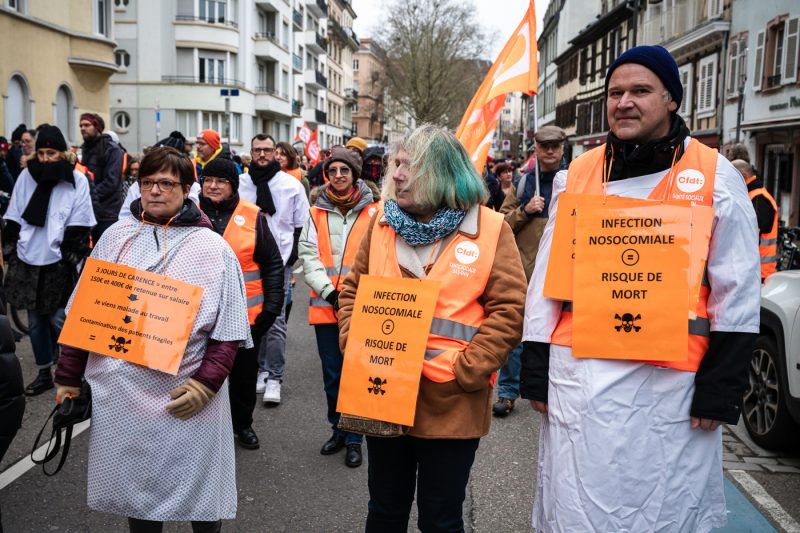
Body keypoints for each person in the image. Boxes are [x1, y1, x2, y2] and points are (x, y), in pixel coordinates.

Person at [520, 45, 760, 532]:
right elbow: (547, 278)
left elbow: (737, 289)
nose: (624, 102)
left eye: (640, 91)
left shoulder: (715, 177)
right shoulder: (579, 175)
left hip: (671, 392)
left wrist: (722, 386)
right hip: (581, 385)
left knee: (666, 511)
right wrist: (536, 366)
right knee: (576, 510)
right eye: (615, 93)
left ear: (671, 99)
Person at [337, 124, 526, 531]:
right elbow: (350, 291)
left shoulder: (491, 228)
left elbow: (509, 310)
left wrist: (469, 369)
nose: (397, 174)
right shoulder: (382, 224)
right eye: (397, 163)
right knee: (384, 512)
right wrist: (355, 343)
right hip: (382, 390)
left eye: (410, 165)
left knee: (441, 518)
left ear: (443, 172)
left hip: (450, 399)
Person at [54, 146, 252, 532]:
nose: (155, 191)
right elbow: (84, 317)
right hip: (124, 398)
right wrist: (67, 377)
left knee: (202, 491)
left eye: (166, 183)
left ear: (186, 188)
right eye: (147, 182)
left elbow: (227, 331)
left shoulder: (213, 249)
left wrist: (206, 384)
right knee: (138, 493)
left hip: (188, 393)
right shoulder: (115, 239)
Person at [299, 147, 377, 469]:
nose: (339, 176)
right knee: (332, 374)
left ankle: (355, 438)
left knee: (355, 374)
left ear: (355, 175)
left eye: (345, 170)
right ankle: (339, 429)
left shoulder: (376, 212)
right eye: (333, 171)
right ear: (327, 175)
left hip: (364, 308)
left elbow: (381, 257)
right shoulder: (316, 212)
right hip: (327, 308)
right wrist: (330, 294)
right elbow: (308, 255)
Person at [2, 125, 95, 395]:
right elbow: (14, 214)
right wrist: (12, 249)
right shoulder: (25, 178)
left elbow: (81, 220)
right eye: (41, 153)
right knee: (35, 322)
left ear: (62, 154)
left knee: (59, 320)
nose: (44, 159)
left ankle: (75, 374)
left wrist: (69, 255)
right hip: (28, 258)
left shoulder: (76, 181)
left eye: (51, 153)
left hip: (59, 261)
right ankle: (44, 372)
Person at [199, 157, 285, 450]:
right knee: (199, 375)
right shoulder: (186, 213)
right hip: (197, 318)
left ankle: (242, 424)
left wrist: (272, 307)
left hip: (245, 318)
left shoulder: (253, 216)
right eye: (208, 180)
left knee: (243, 378)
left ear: (233, 185)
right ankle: (204, 429)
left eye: (220, 181)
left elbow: (273, 264)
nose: (213, 185)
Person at [492, 126, 567, 417]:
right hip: (525, 273)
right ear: (535, 148)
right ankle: (508, 393)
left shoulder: (577, 181)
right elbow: (500, 223)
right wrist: (526, 210)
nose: (549, 151)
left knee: (557, 336)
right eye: (544, 146)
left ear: (563, 148)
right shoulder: (523, 184)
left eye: (554, 146)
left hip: (562, 273)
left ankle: (553, 389)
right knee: (516, 335)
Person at [239, 134, 309, 404]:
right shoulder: (242, 184)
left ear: (275, 153)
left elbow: (300, 225)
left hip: (279, 262)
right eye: (257, 150)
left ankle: (275, 377)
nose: (263, 155)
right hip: (247, 262)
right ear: (252, 152)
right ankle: (259, 369)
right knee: (251, 319)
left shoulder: (291, 185)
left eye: (268, 150)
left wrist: (291, 259)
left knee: (276, 320)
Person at [79, 113, 124, 242]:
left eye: (87, 125)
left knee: (105, 258)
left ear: (97, 127)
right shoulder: (85, 149)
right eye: (81, 125)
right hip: (89, 212)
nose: (82, 128)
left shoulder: (111, 149)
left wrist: (88, 196)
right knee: (90, 255)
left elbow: (111, 181)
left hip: (107, 214)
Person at [732, 159, 778, 281]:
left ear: (743, 176)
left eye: (731, 177)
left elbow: (749, 235)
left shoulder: (758, 198)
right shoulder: (753, 195)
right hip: (754, 270)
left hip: (759, 272)